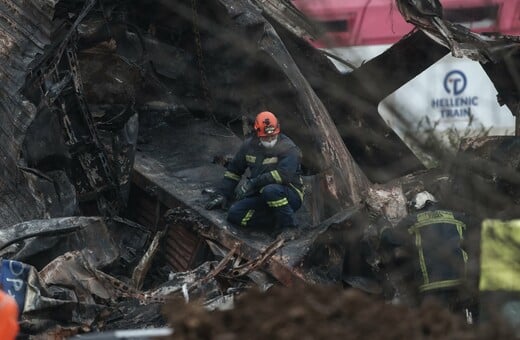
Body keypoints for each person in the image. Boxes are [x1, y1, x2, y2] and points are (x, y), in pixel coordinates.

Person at [205, 111, 304, 235]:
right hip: (260, 193)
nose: (270, 140)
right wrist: (223, 194)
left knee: (270, 190)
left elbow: (284, 176)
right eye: (266, 137)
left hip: (289, 193)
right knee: (234, 214)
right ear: (258, 133)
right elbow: (234, 171)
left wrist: (253, 183)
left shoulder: (288, 148)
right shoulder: (249, 146)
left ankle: (291, 227)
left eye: (273, 136)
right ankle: (275, 221)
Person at [378, 191, 475, 313]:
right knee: (460, 322)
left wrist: (382, 224)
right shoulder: (458, 217)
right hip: (461, 282)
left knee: (436, 324)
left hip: (431, 284)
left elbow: (389, 239)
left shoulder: (412, 220)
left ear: (415, 207)